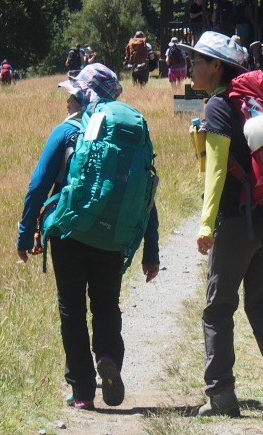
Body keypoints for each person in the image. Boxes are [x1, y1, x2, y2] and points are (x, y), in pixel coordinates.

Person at [15, 63, 161, 410]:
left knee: (72, 310)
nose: (68, 100)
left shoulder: (67, 131)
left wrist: (25, 234)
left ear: (84, 94)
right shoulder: (129, 138)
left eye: (73, 93)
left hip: (69, 230)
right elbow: (145, 193)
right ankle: (108, 356)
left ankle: (82, 391)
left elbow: (38, 186)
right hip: (113, 237)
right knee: (107, 305)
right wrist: (150, 250)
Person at [184, 30, 263, 419]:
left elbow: (216, 170)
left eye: (197, 60)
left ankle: (220, 395)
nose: (191, 67)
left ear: (216, 66)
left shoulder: (219, 107)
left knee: (218, 308)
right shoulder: (255, 104)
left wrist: (206, 224)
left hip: (238, 222)